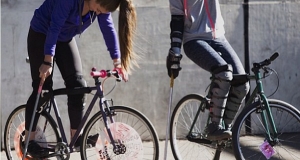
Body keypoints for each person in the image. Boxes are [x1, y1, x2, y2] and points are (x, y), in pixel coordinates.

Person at [25, 0, 138, 157]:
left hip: (64, 38)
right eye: (98, 10)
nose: (98, 14)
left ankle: (76, 138)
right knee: (42, 89)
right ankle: (29, 142)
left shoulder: (99, 5)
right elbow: (54, 26)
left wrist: (117, 62)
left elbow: (108, 29)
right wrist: (47, 60)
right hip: (42, 33)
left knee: (78, 85)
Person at [166, 0, 250, 141]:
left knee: (242, 83)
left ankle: (225, 130)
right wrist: (175, 50)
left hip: (219, 38)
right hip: (194, 40)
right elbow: (177, 19)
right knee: (223, 73)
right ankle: (214, 128)